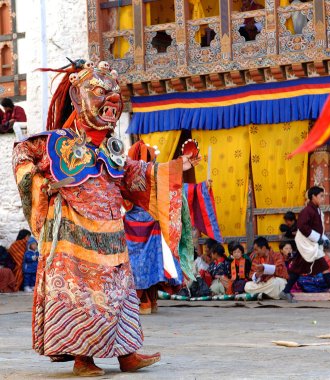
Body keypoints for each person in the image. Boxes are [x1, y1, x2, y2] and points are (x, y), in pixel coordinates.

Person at [12, 59, 199, 376]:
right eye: (100, 92)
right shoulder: (55, 142)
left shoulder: (112, 148)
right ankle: (83, 359)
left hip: (112, 232)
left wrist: (175, 167)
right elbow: (21, 154)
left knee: (122, 291)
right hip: (73, 233)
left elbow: (135, 175)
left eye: (114, 93)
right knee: (83, 296)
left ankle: (127, 353)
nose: (111, 99)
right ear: (79, 98)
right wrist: (42, 185)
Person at [123, 140, 192, 315]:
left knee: (136, 265)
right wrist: (180, 163)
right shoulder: (149, 170)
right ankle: (150, 302)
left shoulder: (123, 171)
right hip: (151, 222)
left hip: (132, 224)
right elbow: (168, 173)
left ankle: (143, 302)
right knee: (152, 264)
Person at [279, 186, 330, 303]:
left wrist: (323, 238)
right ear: (313, 197)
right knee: (324, 268)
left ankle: (285, 291)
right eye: (321, 196)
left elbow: (317, 229)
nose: (323, 198)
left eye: (323, 196)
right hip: (307, 245)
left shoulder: (316, 210)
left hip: (310, 246)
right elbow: (302, 227)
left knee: (298, 269)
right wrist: (318, 239)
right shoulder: (307, 211)